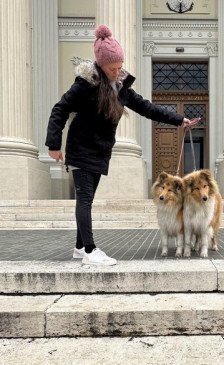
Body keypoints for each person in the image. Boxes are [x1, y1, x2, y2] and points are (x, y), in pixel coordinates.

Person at [45, 24, 199, 266]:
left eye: (119, 66)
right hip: (80, 149)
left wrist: (179, 119)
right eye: (112, 68)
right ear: (100, 66)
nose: (118, 71)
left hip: (100, 150)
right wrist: (54, 144)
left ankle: (78, 247)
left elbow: (147, 107)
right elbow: (60, 109)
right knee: (84, 199)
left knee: (87, 200)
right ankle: (89, 250)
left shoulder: (120, 87)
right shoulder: (85, 84)